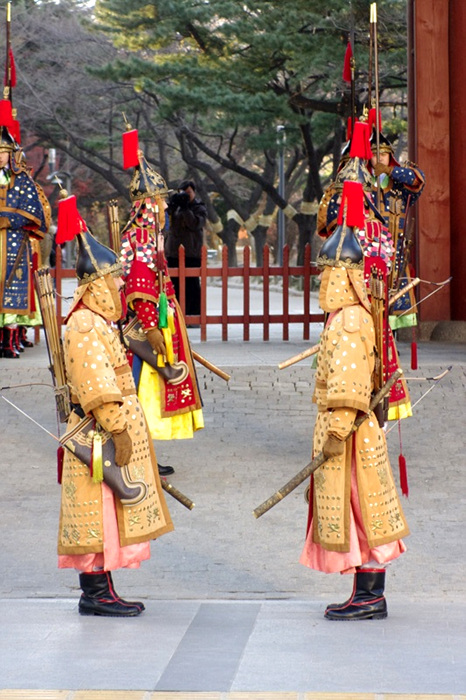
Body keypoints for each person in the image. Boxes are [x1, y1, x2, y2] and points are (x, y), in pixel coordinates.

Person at [299, 181, 409, 620]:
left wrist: (336, 431)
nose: (322, 280)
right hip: (355, 434)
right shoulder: (351, 315)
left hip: (350, 435)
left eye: (327, 272)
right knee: (360, 508)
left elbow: (348, 385)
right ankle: (365, 592)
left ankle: (370, 595)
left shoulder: (348, 321)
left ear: (343, 276)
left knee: (363, 510)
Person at [57, 209, 173, 617]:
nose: (122, 284)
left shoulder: (98, 320)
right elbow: (96, 385)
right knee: (97, 513)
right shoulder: (85, 325)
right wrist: (118, 428)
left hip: (104, 430)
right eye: (115, 279)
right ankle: (95, 593)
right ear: (97, 284)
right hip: (96, 434)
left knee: (106, 511)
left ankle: (101, 590)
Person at [120, 154, 204, 475]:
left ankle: (143, 456)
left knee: (144, 395)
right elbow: (139, 283)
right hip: (144, 331)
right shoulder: (142, 236)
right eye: (160, 200)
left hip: (152, 323)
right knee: (141, 395)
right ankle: (138, 458)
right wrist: (152, 328)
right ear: (148, 204)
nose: (166, 206)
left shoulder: (148, 234)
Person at [0, 125, 50, 357]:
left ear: (11, 154)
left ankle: (9, 343)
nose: (0, 156)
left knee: (12, 290)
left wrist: (8, 220)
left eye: (3, 152)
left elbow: (34, 212)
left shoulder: (21, 180)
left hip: (14, 242)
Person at [368, 130, 425, 331]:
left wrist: (389, 171)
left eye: (384, 154)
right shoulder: (363, 183)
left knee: (393, 297)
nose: (379, 158)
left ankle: (389, 337)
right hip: (368, 250)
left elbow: (418, 179)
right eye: (375, 154)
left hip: (395, 250)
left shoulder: (400, 185)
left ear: (390, 157)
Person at [165, 179, 207, 323]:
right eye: (182, 193)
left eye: (188, 193)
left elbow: (195, 224)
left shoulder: (199, 208)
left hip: (191, 253)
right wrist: (171, 205)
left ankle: (194, 316)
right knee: (173, 285)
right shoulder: (175, 207)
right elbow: (165, 222)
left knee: (192, 285)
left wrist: (185, 209)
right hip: (173, 252)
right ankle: (176, 317)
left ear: (194, 192)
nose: (185, 196)